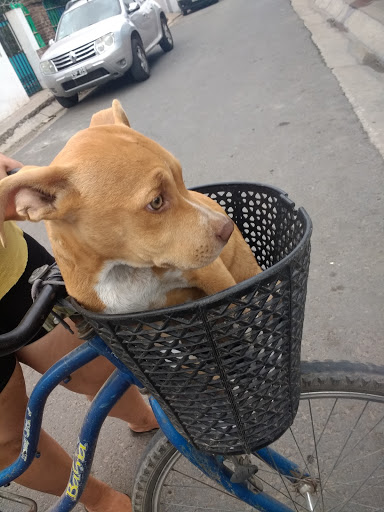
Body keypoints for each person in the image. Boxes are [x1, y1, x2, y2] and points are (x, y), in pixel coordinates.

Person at [0, 153, 158, 512]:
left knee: (96, 369)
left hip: (10, 272)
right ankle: (96, 497)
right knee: (8, 443)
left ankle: (142, 417)